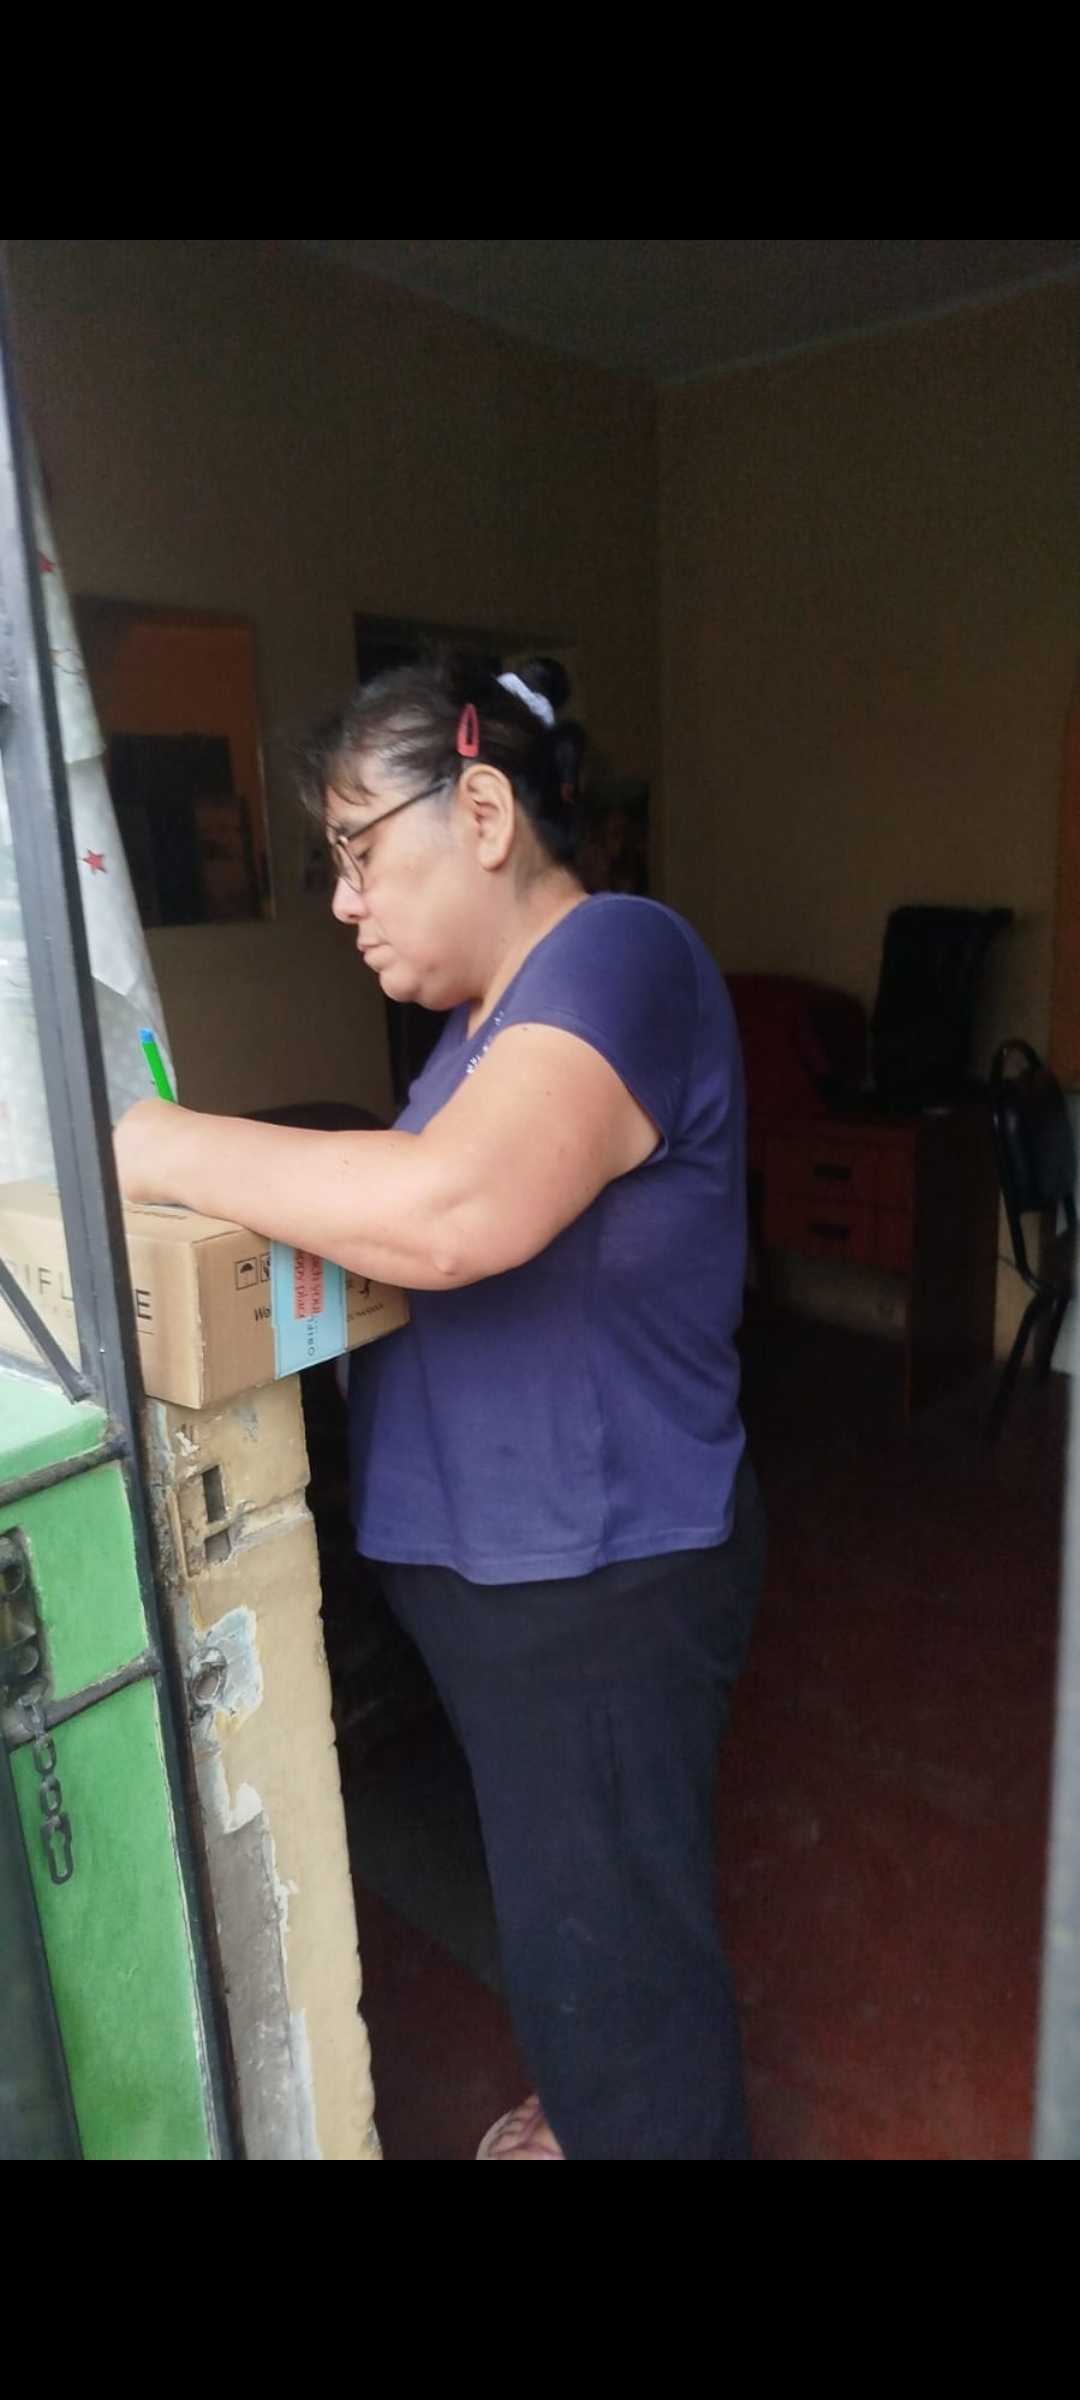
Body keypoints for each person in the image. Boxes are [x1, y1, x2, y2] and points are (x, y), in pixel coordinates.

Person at [115, 653, 766, 2161]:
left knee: (622, 1957)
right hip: (523, 1585)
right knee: (579, 1923)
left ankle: (639, 2119)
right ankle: (602, 2107)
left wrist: (152, 1144)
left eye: (358, 853)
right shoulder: (485, 1028)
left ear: (480, 812)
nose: (345, 904)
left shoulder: (619, 954)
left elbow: (450, 1213)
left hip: (599, 1580)